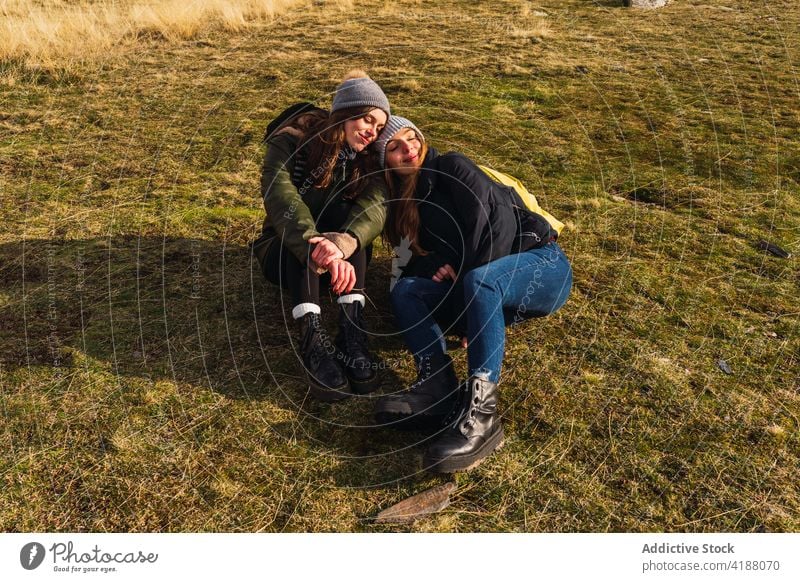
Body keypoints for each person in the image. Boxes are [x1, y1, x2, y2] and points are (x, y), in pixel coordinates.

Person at [372, 117, 572, 473]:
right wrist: (435, 266)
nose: (409, 149)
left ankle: (483, 416)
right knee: (407, 292)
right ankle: (437, 387)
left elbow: (497, 224)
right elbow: (419, 260)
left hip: (539, 262)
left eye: (411, 138)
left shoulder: (451, 166)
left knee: (480, 280)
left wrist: (466, 287)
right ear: (384, 161)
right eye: (395, 147)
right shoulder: (407, 203)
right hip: (483, 284)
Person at [252, 71, 390, 402]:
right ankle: (312, 339)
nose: (372, 131)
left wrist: (341, 244)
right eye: (367, 119)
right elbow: (281, 196)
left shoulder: (367, 160)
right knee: (304, 240)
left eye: (380, 128)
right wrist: (317, 244)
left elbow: (376, 205)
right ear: (345, 112)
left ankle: (351, 331)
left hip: (339, 268)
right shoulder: (291, 142)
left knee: (354, 232)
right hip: (283, 254)